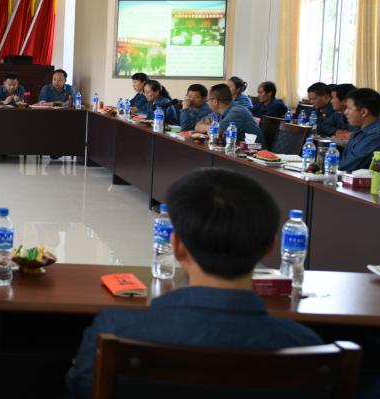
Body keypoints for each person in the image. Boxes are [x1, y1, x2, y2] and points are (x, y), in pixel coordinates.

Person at [65, 168, 322, 398]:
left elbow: (82, 388)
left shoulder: (115, 329)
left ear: (176, 247)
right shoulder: (307, 346)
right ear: (271, 248)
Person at [195, 83, 263, 141]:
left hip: (255, 151)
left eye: (208, 100)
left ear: (215, 101)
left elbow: (218, 133)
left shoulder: (237, 112)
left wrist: (210, 128)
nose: (207, 103)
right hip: (235, 148)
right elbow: (197, 126)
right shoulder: (218, 112)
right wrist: (209, 128)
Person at [339, 88, 380, 172]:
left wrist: (322, 165)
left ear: (364, 112)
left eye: (349, 108)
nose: (345, 112)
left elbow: (348, 165)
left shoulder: (376, 134)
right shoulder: (359, 129)